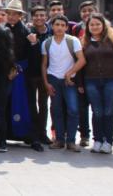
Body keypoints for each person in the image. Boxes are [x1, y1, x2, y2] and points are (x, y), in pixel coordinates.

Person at [4, 0, 43, 151]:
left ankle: (33, 137)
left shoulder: (27, 32)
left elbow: (34, 58)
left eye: (15, 14)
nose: (12, 17)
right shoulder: (1, 30)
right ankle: (4, 134)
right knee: (5, 103)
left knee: (29, 105)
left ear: (20, 15)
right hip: (6, 74)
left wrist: (34, 44)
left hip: (24, 75)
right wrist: (7, 69)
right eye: (9, 14)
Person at [42, 15, 86, 152]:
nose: (59, 27)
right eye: (57, 25)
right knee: (56, 110)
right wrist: (46, 83)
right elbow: (43, 65)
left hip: (69, 80)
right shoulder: (46, 43)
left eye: (62, 25)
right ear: (52, 26)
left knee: (73, 109)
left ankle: (71, 141)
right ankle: (59, 140)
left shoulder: (73, 41)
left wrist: (69, 73)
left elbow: (81, 60)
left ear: (66, 27)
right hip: (53, 78)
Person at [79, 13, 113, 154]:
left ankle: (108, 141)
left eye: (97, 24)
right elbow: (80, 64)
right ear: (88, 27)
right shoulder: (84, 42)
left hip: (112, 80)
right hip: (91, 81)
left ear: (103, 25)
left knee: (109, 112)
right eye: (92, 25)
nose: (95, 27)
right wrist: (79, 83)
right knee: (97, 112)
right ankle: (97, 140)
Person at [71, 0, 96, 147]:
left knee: (98, 108)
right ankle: (84, 135)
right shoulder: (76, 28)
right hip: (81, 73)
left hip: (99, 74)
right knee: (82, 107)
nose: (87, 13)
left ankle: (100, 137)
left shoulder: (103, 27)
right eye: (84, 11)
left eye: (90, 10)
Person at [27, 5, 52, 144]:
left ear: (46, 17)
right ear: (32, 17)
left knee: (43, 104)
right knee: (31, 104)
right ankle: (34, 132)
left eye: (42, 15)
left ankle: (42, 132)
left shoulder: (52, 32)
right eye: (37, 15)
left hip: (46, 74)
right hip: (30, 73)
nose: (39, 18)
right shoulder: (28, 31)